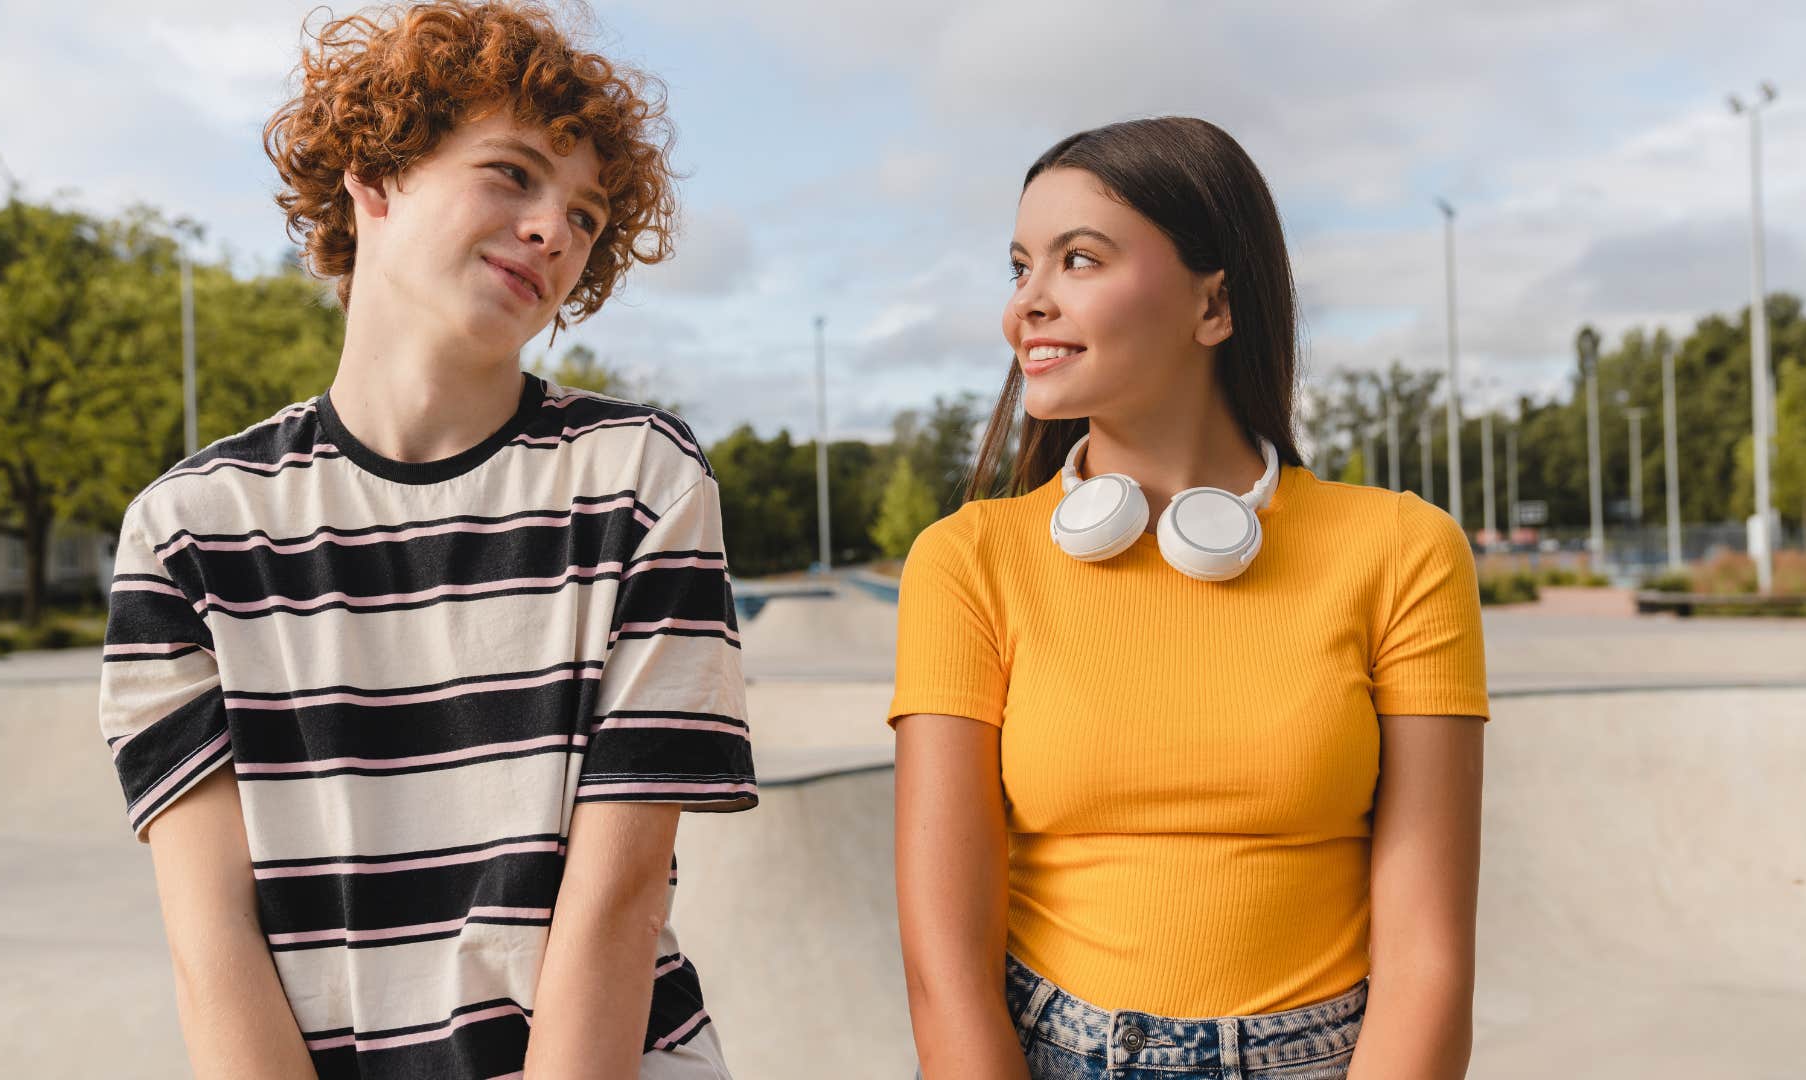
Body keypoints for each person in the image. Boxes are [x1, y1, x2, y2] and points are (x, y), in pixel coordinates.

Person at [97, 3, 755, 1076]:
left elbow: (621, 899)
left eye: (586, 216)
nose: (554, 229)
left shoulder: (639, 477)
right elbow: (212, 944)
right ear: (375, 180)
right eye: (511, 174)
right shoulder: (187, 532)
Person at [890, 117, 1489, 1080]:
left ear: (1214, 304)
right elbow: (945, 972)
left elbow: (1428, 956)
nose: (1026, 306)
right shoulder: (965, 562)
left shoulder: (1404, 550)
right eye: (1018, 268)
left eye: (1078, 259)